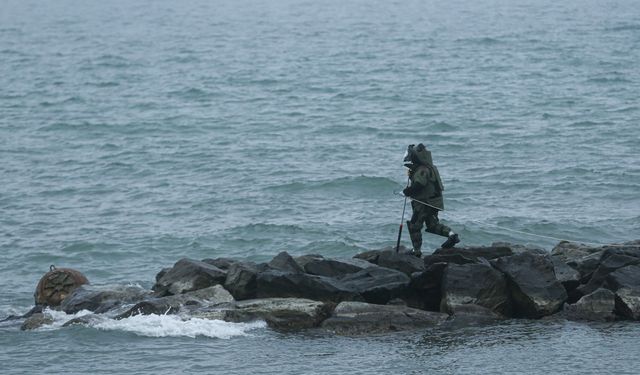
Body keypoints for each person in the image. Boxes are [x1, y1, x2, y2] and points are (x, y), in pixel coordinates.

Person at [402, 143, 459, 257]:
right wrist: (412, 174)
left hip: (424, 202)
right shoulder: (430, 167)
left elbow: (419, 184)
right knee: (432, 225)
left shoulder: (422, 170)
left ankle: (416, 251)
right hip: (434, 203)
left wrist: (408, 191)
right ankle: (452, 235)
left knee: (414, 225)